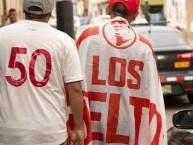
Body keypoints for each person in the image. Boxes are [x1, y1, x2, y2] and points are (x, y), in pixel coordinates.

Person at [76, 0, 167, 144]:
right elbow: (153, 98)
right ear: (136, 14)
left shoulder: (87, 37)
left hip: (92, 131)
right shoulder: (144, 47)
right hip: (129, 132)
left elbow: (73, 86)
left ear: (107, 9)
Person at [0, 0, 85, 145]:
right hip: (50, 132)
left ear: (23, 8)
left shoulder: (2, 35)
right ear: (51, 10)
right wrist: (78, 127)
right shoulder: (64, 41)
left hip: (8, 130)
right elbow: (75, 89)